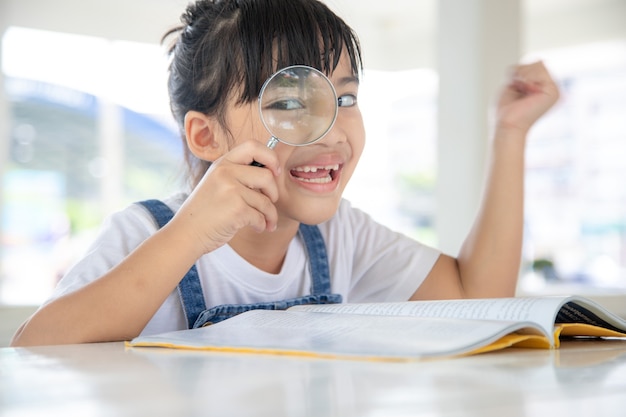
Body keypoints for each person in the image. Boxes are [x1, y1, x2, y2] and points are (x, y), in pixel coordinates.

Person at [11, 0, 559, 346]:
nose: (332, 130)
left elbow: (479, 295)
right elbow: (37, 350)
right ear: (206, 136)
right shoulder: (147, 234)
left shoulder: (342, 235)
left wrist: (510, 134)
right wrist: (190, 236)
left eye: (344, 97)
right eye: (292, 102)